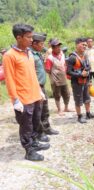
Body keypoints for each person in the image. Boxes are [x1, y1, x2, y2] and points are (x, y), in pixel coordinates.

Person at [3, 24, 50, 161]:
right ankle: (29, 150)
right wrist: (15, 99)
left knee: (36, 122)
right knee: (26, 126)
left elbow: (32, 74)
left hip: (35, 95)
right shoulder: (9, 56)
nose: (31, 40)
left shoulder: (28, 52)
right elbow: (9, 79)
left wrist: (39, 91)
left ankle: (34, 142)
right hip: (23, 99)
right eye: (28, 37)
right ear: (19, 37)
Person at [31, 33, 59, 140]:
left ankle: (47, 128)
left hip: (41, 86)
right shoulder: (30, 55)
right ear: (34, 44)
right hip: (35, 87)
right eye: (41, 44)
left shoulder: (37, 53)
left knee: (45, 110)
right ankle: (39, 132)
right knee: (37, 111)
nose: (43, 46)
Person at [67, 38, 94, 123]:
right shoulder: (72, 57)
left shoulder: (85, 56)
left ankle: (88, 114)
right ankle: (79, 116)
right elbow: (68, 71)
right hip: (76, 82)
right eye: (82, 44)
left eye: (85, 45)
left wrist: (88, 75)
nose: (84, 46)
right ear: (77, 45)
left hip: (85, 80)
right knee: (78, 99)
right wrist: (80, 74)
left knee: (87, 98)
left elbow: (88, 67)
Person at [45, 39, 72, 115]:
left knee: (66, 93)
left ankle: (66, 108)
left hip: (63, 78)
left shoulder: (62, 54)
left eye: (59, 46)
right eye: (57, 47)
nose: (59, 48)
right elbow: (47, 69)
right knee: (57, 95)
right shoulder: (50, 58)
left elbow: (64, 64)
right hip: (55, 79)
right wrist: (54, 74)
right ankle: (59, 110)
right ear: (53, 48)